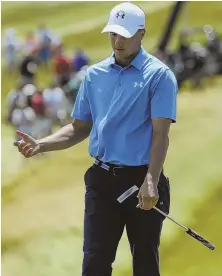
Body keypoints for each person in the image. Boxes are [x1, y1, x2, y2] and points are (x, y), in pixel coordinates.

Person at [14, 2, 178, 276]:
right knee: (94, 264)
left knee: (146, 265)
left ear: (142, 33)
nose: (117, 40)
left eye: (125, 34)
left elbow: (161, 134)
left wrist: (151, 179)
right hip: (102, 181)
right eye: (113, 33)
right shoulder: (94, 75)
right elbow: (79, 127)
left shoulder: (159, 76)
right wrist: (41, 144)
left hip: (143, 180)